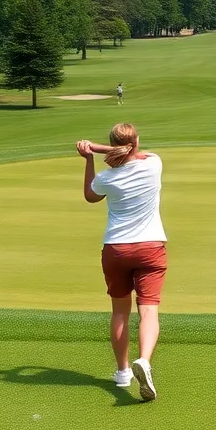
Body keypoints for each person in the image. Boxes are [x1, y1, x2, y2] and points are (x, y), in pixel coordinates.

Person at [78, 124, 167, 402]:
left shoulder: (106, 178)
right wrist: (106, 148)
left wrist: (89, 155)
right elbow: (140, 152)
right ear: (136, 142)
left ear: (113, 143)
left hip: (116, 248)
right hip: (151, 246)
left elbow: (90, 196)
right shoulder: (153, 165)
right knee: (148, 310)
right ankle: (145, 360)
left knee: (119, 312)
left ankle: (122, 372)